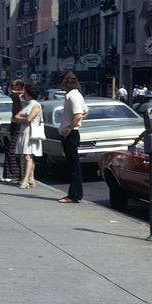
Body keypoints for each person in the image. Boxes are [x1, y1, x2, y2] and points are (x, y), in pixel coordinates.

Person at [57, 71, 87, 204]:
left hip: (71, 133)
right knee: (73, 165)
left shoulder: (72, 95)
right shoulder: (76, 94)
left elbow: (79, 114)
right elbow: (85, 111)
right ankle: (75, 193)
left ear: (65, 83)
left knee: (73, 166)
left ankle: (74, 195)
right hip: (71, 132)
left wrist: (69, 128)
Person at [12, 83, 43, 189]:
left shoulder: (35, 105)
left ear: (29, 94)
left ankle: (25, 180)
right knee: (28, 156)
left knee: (28, 156)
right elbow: (16, 117)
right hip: (25, 132)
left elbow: (29, 119)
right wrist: (22, 118)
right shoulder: (28, 104)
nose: (23, 93)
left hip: (31, 133)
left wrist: (21, 118)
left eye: (25, 92)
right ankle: (31, 179)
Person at [2, 80, 25, 183]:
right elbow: (10, 92)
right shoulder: (14, 95)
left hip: (20, 124)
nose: (11, 87)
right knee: (11, 149)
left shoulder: (22, 96)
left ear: (20, 86)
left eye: (13, 86)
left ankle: (16, 174)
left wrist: (19, 91)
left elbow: (24, 93)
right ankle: (12, 174)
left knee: (13, 150)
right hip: (14, 123)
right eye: (10, 85)